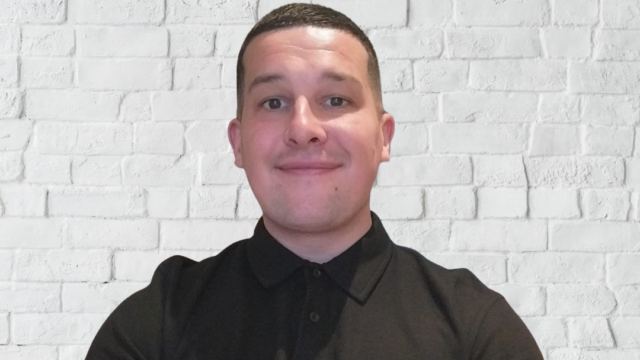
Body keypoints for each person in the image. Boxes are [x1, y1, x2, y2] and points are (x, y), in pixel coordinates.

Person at [86, 3, 543, 359]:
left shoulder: (477, 329)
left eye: (336, 98)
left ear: (383, 137)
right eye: (273, 102)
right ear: (239, 143)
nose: (303, 127)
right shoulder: (153, 327)